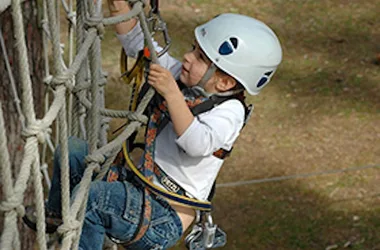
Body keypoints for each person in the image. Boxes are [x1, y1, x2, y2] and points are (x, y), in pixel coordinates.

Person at [23, 1, 282, 249]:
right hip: (137, 188)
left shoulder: (230, 112)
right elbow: (139, 45)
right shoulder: (188, 81)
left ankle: (83, 233)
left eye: (200, 57)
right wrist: (119, 6)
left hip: (161, 217)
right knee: (73, 151)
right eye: (193, 48)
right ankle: (59, 216)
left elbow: (197, 143)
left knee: (92, 198)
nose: (188, 56)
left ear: (225, 82)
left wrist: (171, 94)